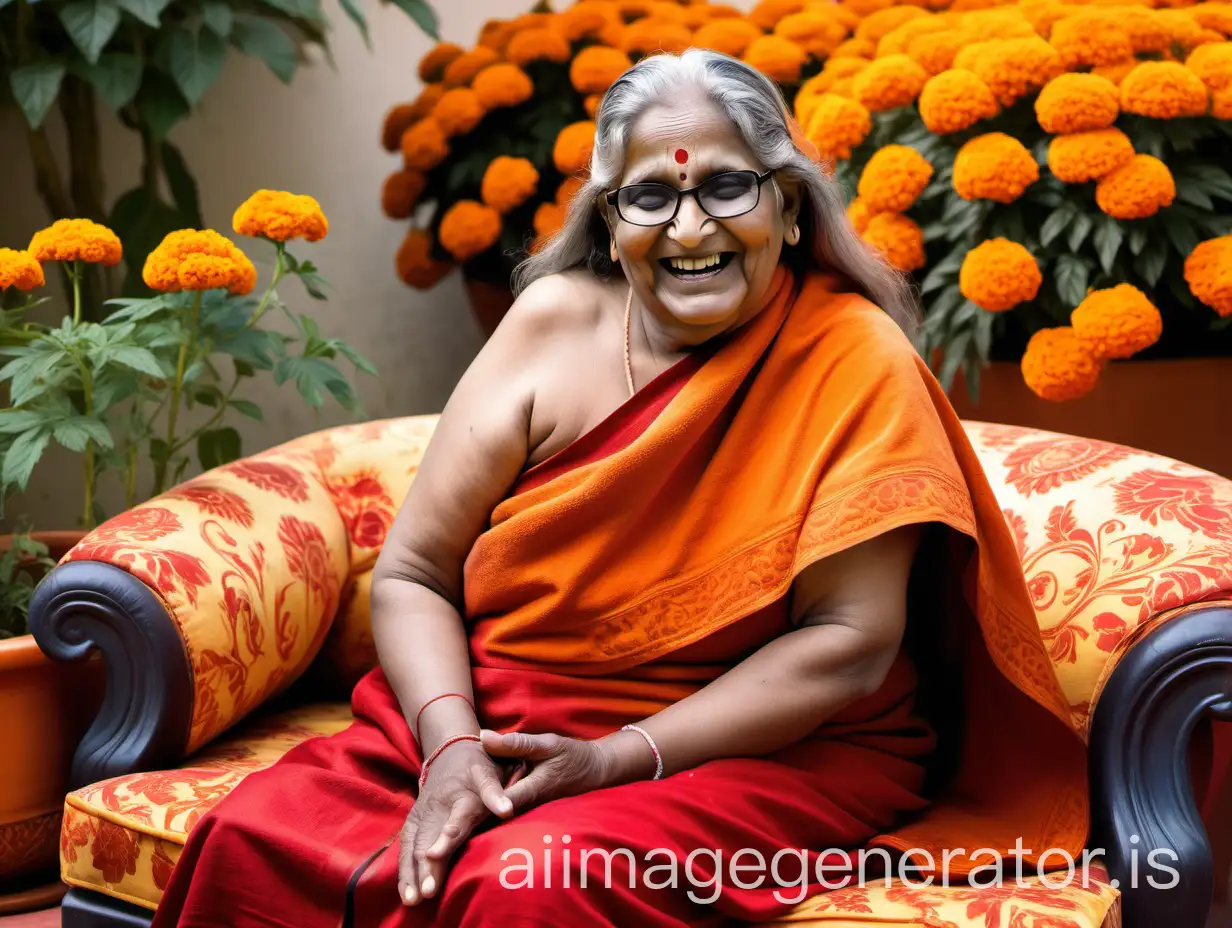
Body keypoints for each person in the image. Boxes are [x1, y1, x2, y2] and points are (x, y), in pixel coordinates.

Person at [152, 50, 1086, 928]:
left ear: (790, 209)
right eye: (650, 196)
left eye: (726, 185)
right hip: (492, 717)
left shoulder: (853, 360)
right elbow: (414, 575)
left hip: (763, 748)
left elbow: (848, 646)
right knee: (257, 842)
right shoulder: (551, 324)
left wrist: (614, 759)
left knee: (526, 886)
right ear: (608, 222)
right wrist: (450, 749)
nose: (690, 228)